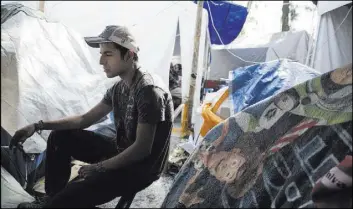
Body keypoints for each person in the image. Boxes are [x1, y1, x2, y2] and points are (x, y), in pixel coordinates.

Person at [11, 25, 174, 208]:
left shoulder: (148, 91)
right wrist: (37, 126)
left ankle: (57, 203)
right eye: (101, 53)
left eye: (108, 54)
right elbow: (84, 119)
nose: (101, 61)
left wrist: (99, 168)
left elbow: (142, 149)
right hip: (121, 150)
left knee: (71, 196)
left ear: (129, 54)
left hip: (140, 168)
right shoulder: (119, 88)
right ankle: (53, 199)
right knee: (60, 137)